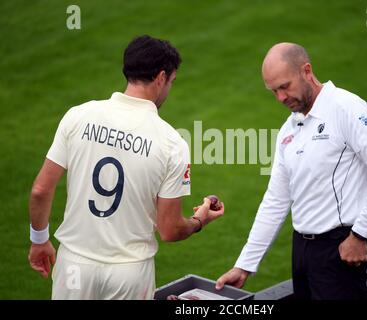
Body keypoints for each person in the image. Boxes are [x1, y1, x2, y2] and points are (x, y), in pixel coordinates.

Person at [28, 35, 224, 300]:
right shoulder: (171, 143)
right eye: (171, 82)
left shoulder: (79, 115)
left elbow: (41, 190)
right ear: (161, 77)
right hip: (129, 273)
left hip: (74, 266)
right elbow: (169, 229)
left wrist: (39, 240)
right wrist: (200, 220)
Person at [215, 42, 367, 299]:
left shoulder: (346, 108)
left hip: (343, 250)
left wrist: (360, 235)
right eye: (273, 91)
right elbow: (276, 200)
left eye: (285, 86)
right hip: (303, 252)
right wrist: (245, 265)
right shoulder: (289, 130)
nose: (281, 97)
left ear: (306, 71)